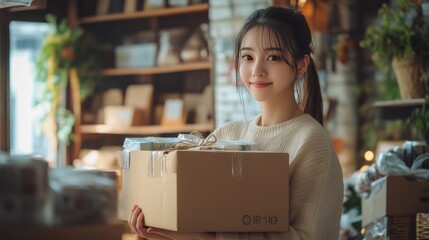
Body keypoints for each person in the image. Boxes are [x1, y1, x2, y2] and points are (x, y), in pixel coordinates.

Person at [128, 6, 344, 240]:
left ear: (301, 65)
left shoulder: (311, 141)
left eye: (273, 57)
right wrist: (158, 231)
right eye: (248, 57)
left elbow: (307, 237)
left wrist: (205, 236)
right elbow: (198, 218)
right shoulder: (227, 134)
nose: (257, 70)